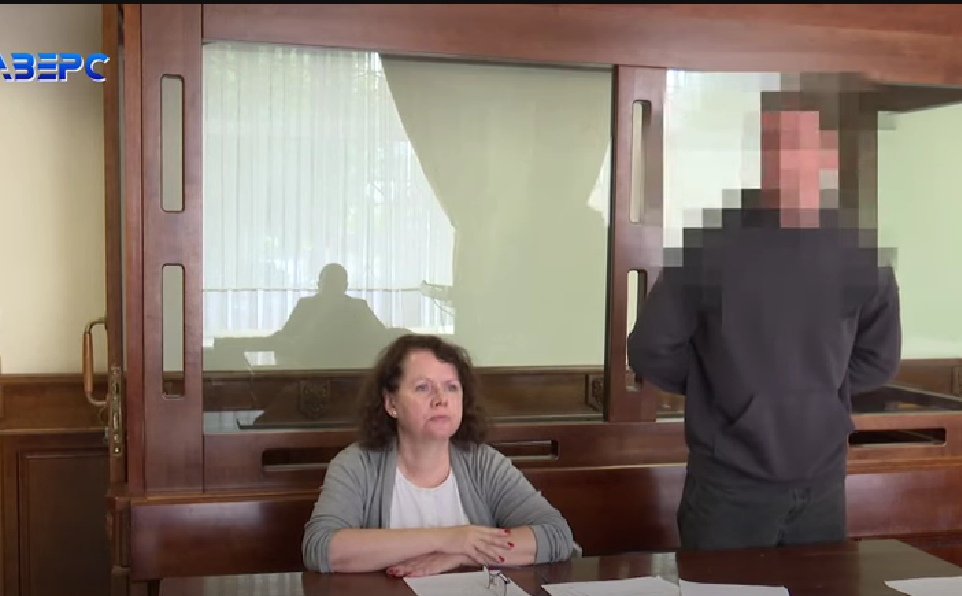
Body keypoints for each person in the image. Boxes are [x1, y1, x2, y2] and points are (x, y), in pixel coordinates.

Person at [627, 73, 902, 551]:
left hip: (822, 482)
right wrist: (724, 390)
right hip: (728, 486)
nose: (781, 161)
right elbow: (650, 349)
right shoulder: (711, 248)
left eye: (796, 146)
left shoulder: (858, 253)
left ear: (827, 155)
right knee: (720, 587)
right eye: (769, 147)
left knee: (820, 585)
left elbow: (879, 358)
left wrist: (814, 398)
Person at [302, 333, 577, 576]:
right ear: (391, 403)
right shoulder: (357, 464)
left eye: (451, 387)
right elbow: (322, 548)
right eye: (423, 387)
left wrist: (461, 554)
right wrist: (448, 538)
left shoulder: (482, 462)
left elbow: (556, 535)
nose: (441, 399)